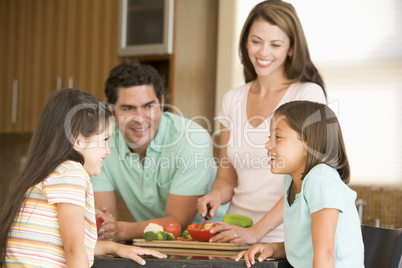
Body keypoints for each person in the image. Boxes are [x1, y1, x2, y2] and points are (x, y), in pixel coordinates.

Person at [197, 0, 327, 244]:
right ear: (245, 41)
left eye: (275, 44)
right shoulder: (232, 99)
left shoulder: (308, 95)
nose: (263, 52)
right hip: (235, 234)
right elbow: (227, 177)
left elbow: (306, 180)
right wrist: (215, 195)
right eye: (256, 41)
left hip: (285, 238)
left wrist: (257, 232)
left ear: (290, 48)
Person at [0, 89, 166, 267]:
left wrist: (114, 248)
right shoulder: (72, 173)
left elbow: (58, 246)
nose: (108, 150)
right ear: (77, 138)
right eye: (104, 139)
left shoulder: (53, 173)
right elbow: (75, 253)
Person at [92, 60, 213, 241]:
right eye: (128, 108)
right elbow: (103, 222)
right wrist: (108, 228)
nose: (140, 118)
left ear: (162, 104)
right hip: (156, 243)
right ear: (111, 110)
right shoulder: (100, 144)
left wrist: (121, 231)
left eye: (149, 106)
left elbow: (178, 223)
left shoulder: (192, 139)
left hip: (214, 242)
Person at [234, 101, 364, 267]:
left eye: (277, 137)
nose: (268, 145)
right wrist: (272, 249)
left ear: (308, 143)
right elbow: (304, 248)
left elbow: (324, 254)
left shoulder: (321, 181)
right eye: (269, 137)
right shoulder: (292, 180)